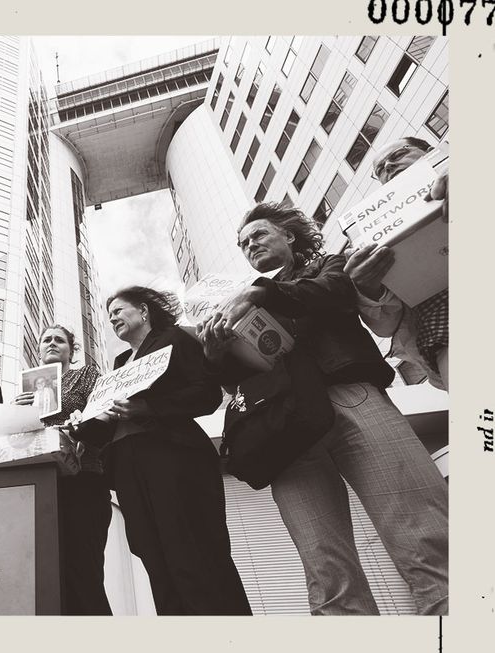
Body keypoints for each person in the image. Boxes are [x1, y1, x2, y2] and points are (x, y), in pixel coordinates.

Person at [200, 202, 448, 615]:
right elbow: (238, 377)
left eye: (258, 235)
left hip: (349, 394)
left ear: (289, 236)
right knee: (326, 571)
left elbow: (334, 293)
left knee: (423, 533)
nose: (250, 246)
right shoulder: (241, 305)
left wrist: (259, 292)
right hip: (285, 424)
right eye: (243, 244)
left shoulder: (325, 266)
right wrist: (214, 352)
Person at [74, 288, 252, 616]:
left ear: (143, 311)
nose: (112, 317)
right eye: (109, 314)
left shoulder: (174, 339)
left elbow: (206, 394)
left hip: (174, 458)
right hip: (128, 467)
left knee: (192, 550)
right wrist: (85, 423)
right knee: (152, 554)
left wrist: (146, 407)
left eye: (119, 310)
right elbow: (105, 424)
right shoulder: (116, 366)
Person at [12, 325, 112, 615]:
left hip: (82, 480)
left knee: (83, 572)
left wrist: (75, 422)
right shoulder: (25, 389)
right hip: (39, 484)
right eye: (46, 340)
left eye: (60, 340)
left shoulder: (86, 375)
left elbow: (103, 417)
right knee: (46, 575)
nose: (52, 343)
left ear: (72, 349)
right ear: (38, 350)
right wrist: (18, 412)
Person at [344, 136, 449, 390]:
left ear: (429, 152)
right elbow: (387, 326)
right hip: (447, 331)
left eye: (399, 154)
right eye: (380, 170)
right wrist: (369, 289)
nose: (388, 166)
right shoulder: (370, 238)